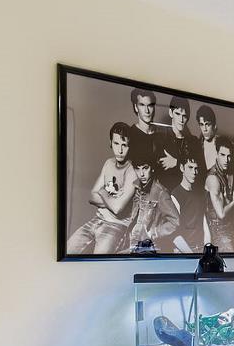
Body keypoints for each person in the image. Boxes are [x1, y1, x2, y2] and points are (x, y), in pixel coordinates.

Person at [65, 122, 138, 254]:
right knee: (68, 249)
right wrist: (112, 199)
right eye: (116, 144)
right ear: (111, 143)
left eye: (124, 145)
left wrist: (102, 191)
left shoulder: (132, 170)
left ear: (130, 146)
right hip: (97, 219)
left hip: (116, 225)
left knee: (99, 259)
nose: (120, 150)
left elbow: (118, 209)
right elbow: (91, 196)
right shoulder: (108, 163)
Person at [124, 157, 180, 254]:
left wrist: (153, 233)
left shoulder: (160, 192)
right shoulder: (135, 188)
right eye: (138, 169)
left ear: (152, 168)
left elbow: (175, 222)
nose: (141, 174)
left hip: (148, 246)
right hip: (131, 241)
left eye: (145, 168)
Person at [205, 135, 234, 250]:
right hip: (218, 229)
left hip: (231, 224)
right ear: (217, 154)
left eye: (229, 156)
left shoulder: (229, 173)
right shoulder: (213, 178)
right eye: (222, 155)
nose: (226, 160)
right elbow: (221, 214)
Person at [168, 150, 208, 253]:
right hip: (185, 250)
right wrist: (190, 254)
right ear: (182, 168)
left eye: (196, 168)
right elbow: (174, 234)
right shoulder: (175, 195)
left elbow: (204, 223)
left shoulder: (199, 193)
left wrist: (207, 248)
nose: (194, 172)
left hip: (201, 248)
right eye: (190, 167)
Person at [156, 96, 198, 188]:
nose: (181, 120)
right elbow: (157, 170)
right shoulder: (160, 138)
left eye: (184, 116)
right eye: (177, 114)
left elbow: (198, 172)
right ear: (171, 113)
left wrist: (176, 162)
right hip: (165, 191)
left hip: (187, 191)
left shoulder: (193, 142)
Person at [127, 87, 162, 181]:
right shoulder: (129, 135)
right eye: (142, 105)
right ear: (136, 107)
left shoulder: (161, 134)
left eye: (150, 105)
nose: (147, 111)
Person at [196, 105, 220, 176]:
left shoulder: (222, 145)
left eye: (207, 124)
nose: (204, 129)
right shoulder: (197, 145)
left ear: (214, 125)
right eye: (201, 124)